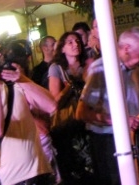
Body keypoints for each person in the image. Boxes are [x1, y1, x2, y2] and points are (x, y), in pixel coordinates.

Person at [76, 28, 139, 185]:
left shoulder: (133, 69)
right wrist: (120, 121)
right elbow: (82, 113)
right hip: (108, 140)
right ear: (126, 49)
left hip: (136, 134)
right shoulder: (101, 68)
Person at [0, 38, 57, 185]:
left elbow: (51, 106)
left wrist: (23, 79)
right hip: (11, 179)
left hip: (41, 172)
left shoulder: (15, 85)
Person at [48, 32, 89, 185]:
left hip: (89, 121)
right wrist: (71, 85)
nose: (75, 44)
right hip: (68, 126)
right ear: (62, 48)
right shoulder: (57, 68)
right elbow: (55, 101)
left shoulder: (88, 64)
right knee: (73, 170)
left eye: (77, 41)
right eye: (70, 42)